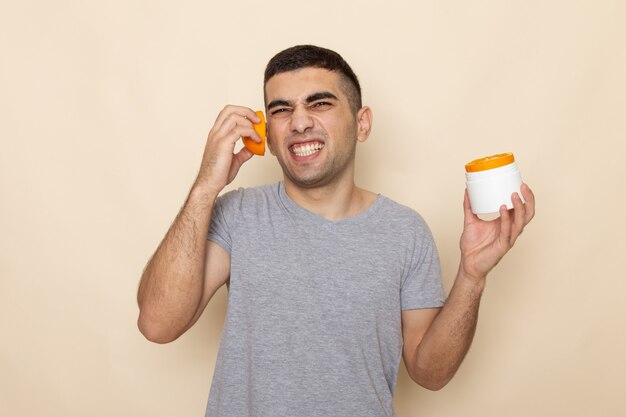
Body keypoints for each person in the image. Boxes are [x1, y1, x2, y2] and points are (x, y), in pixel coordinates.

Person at [137, 45, 535, 417]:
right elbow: (157, 325)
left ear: (362, 124)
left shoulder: (405, 231)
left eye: (320, 103)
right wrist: (206, 186)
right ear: (269, 138)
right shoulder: (237, 214)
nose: (299, 122)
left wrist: (472, 276)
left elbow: (430, 373)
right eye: (281, 110)